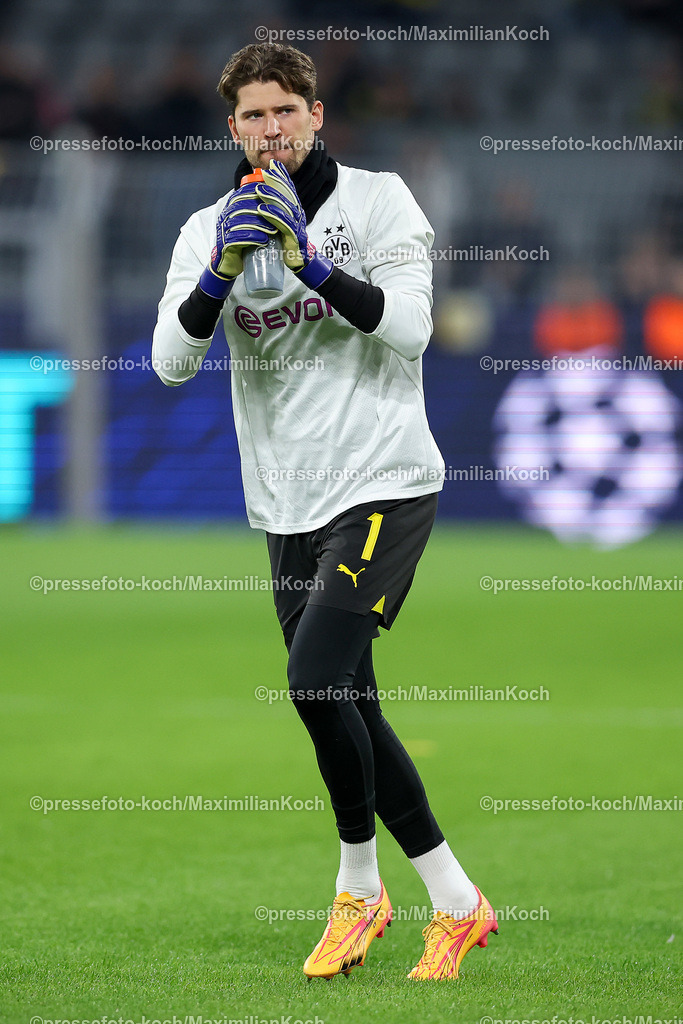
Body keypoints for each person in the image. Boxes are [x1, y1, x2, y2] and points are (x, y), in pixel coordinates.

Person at [152, 42, 497, 981]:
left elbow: (412, 328)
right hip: (287, 501)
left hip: (385, 478)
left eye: (286, 110)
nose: (272, 129)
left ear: (316, 115)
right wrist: (222, 270)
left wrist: (305, 262)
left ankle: (357, 889)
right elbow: (170, 363)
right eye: (253, 116)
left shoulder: (378, 201)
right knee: (346, 700)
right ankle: (457, 902)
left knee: (312, 682)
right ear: (234, 129)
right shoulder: (206, 228)